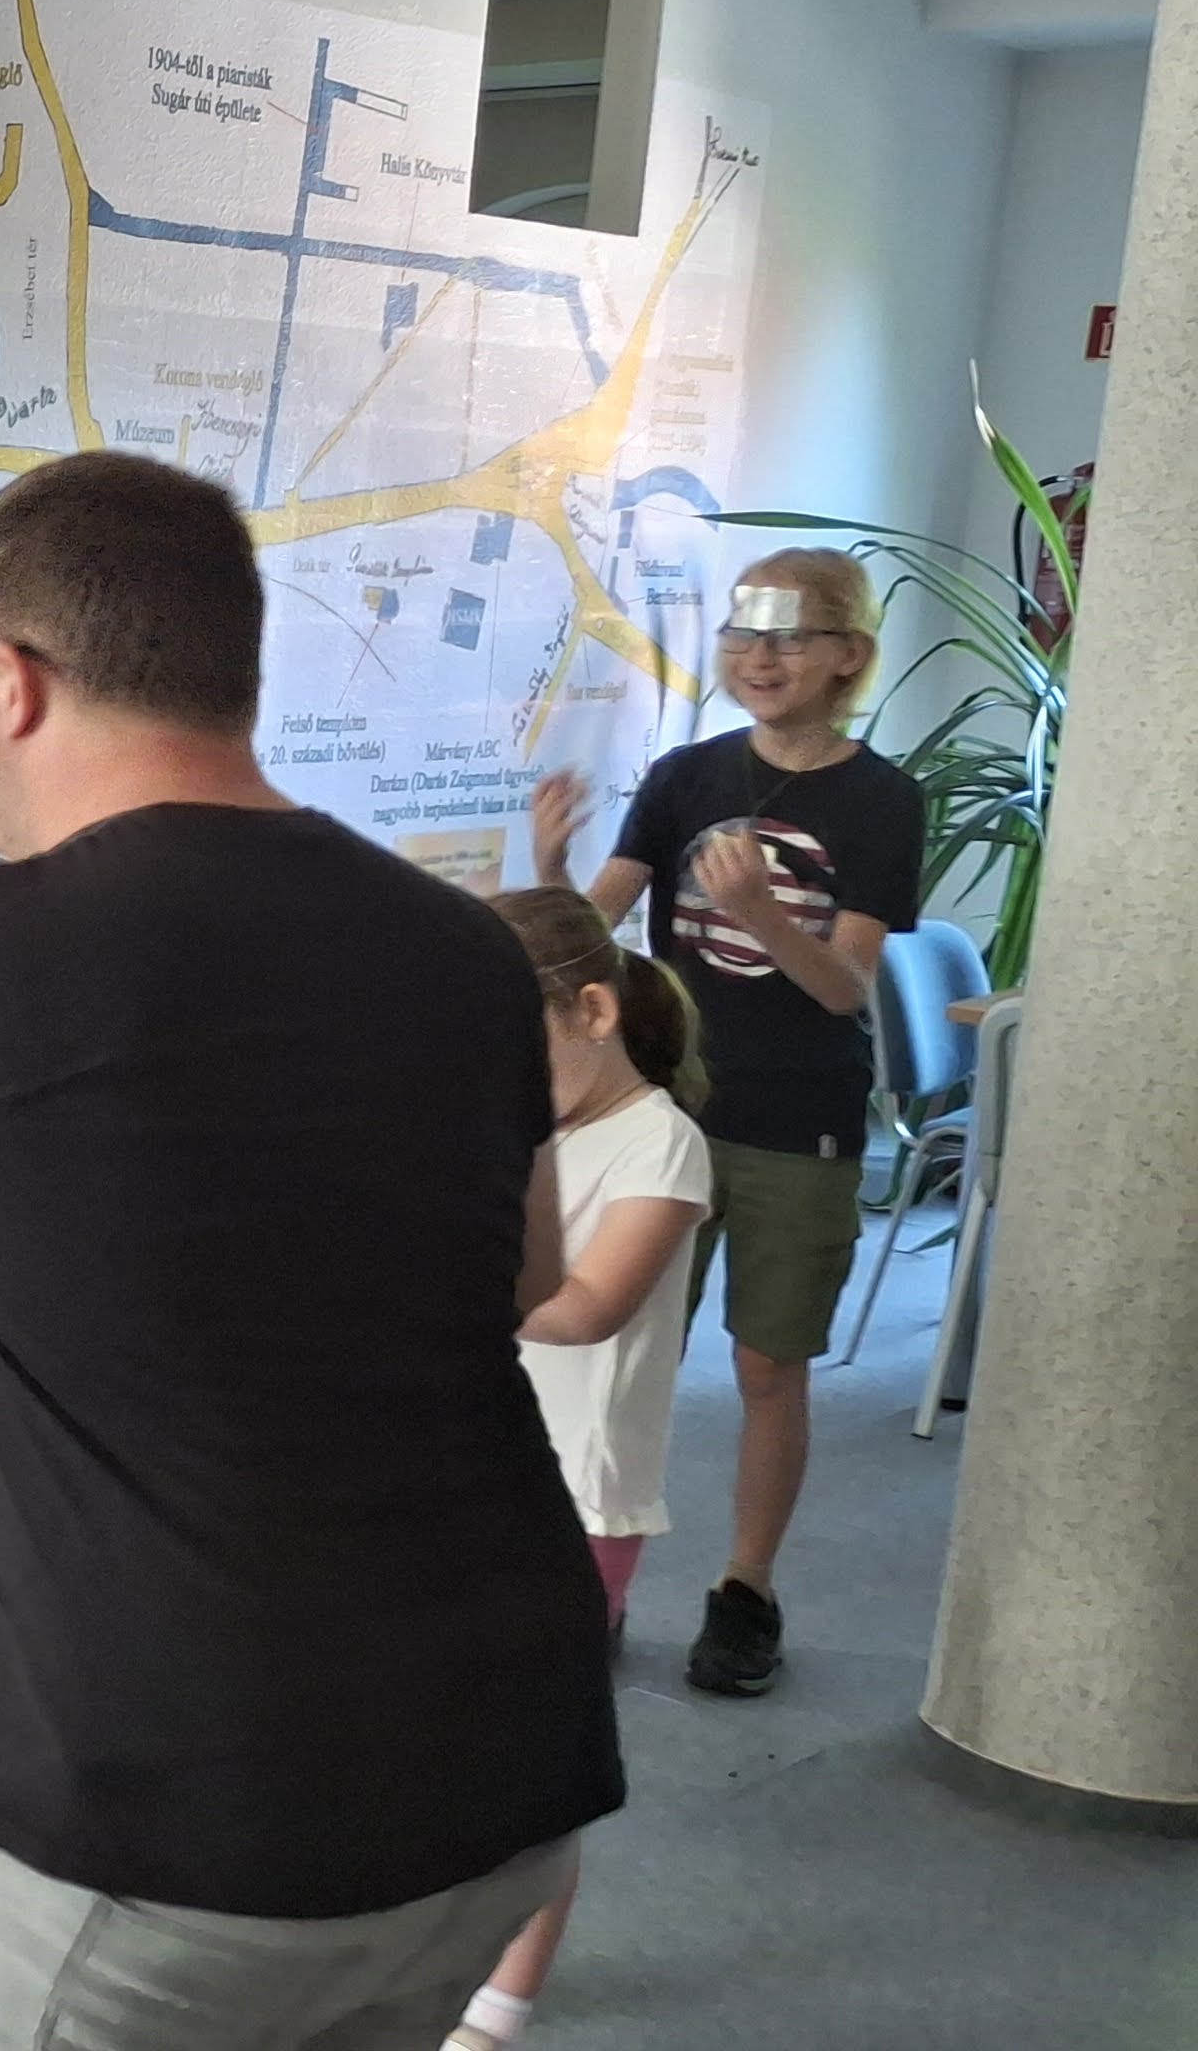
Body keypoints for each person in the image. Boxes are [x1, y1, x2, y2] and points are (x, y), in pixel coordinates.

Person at [0, 451, 619, 2050]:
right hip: (500, 1776)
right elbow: (530, 1277)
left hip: (163, 1826)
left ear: (17, 682)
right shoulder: (465, 949)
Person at [531, 548, 918, 1701]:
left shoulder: (882, 799)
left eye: (791, 635)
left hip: (800, 1120)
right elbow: (590, 932)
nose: (760, 656)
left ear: (847, 655)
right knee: (616, 1355)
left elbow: (846, 987)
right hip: (670, 1111)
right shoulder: (687, 775)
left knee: (766, 1364)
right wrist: (549, 862)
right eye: (744, 634)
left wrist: (756, 909)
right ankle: (589, 1584)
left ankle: (746, 1588)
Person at [449, 886, 713, 2051]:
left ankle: (499, 2006)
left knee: (529, 1774)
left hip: (578, 1501)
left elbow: (588, 1306)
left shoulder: (664, 1144)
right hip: (466, 1477)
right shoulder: (517, 1123)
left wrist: (438, 1284)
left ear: (594, 1010)